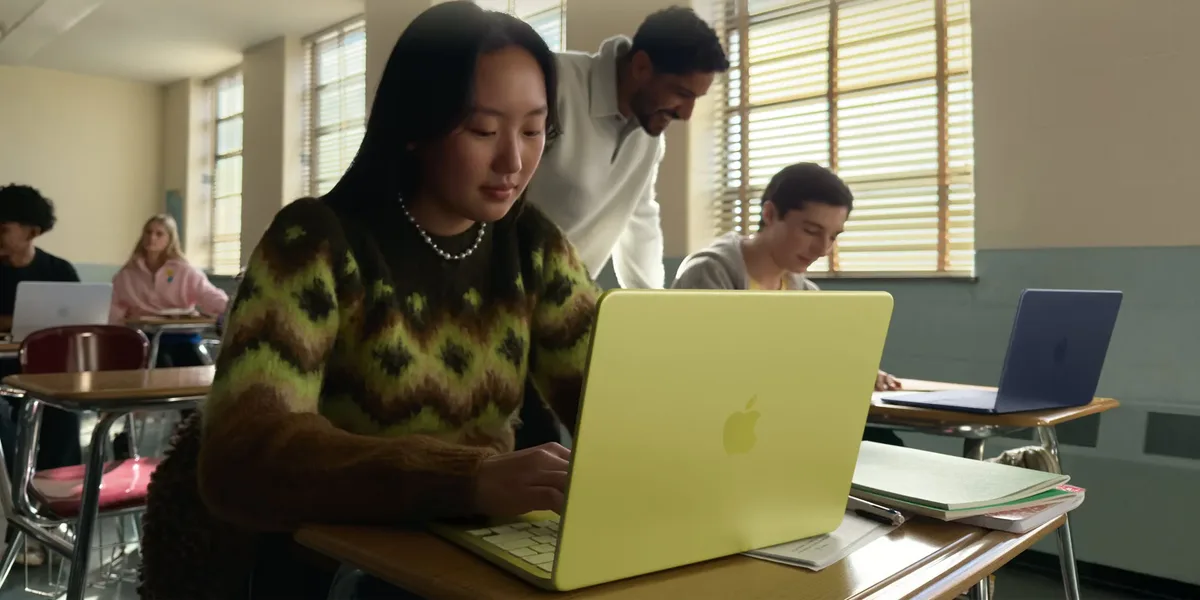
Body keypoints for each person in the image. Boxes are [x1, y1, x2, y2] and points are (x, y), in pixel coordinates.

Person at [138, 3, 597, 599]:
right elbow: (244, 458)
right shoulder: (315, 243)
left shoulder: (532, 245)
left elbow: (607, 392)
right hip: (333, 563)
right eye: (483, 130)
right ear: (415, 126)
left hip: (476, 547)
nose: (513, 161)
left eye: (534, 130)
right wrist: (467, 480)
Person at [671, 163, 905, 446]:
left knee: (884, 445)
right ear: (769, 214)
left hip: (780, 423)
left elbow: (822, 358)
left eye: (833, 236)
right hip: (723, 431)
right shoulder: (709, 272)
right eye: (810, 230)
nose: (823, 249)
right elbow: (710, 375)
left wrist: (859, 369)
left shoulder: (805, 292)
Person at [523, 6, 729, 289]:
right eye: (681, 93)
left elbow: (639, 219)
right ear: (641, 67)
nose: (687, 113)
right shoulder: (554, 83)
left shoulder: (649, 138)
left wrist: (651, 307)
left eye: (696, 98)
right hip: (491, 290)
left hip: (561, 302)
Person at [0, 183, 83, 567]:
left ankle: (56, 513)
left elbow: (81, 327)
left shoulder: (59, 271)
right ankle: (20, 510)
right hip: (3, 378)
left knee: (65, 413)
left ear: (32, 231)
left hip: (44, 376)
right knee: (4, 421)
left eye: (3, 229)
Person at [110, 214, 228, 367]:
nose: (152, 237)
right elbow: (114, 307)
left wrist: (230, 308)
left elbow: (207, 295)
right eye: (148, 232)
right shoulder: (127, 274)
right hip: (144, 337)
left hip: (182, 336)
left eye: (159, 234)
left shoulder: (185, 271)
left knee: (199, 368)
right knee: (161, 363)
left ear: (170, 239)